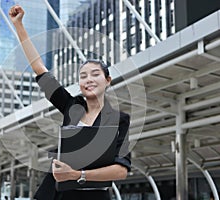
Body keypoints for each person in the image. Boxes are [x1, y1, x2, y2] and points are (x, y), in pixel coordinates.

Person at [9, 5, 131, 200]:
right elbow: (39, 68)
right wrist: (19, 26)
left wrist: (77, 175)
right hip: (57, 195)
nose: (88, 79)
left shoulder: (119, 120)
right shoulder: (71, 106)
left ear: (108, 81)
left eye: (95, 74)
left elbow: (120, 170)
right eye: (83, 76)